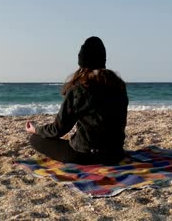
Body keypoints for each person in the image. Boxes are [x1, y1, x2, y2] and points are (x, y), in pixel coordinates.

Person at [25, 36, 128, 165]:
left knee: (35, 139)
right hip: (115, 154)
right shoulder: (118, 84)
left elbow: (58, 129)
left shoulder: (81, 87)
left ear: (81, 61)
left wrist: (36, 129)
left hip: (87, 155)